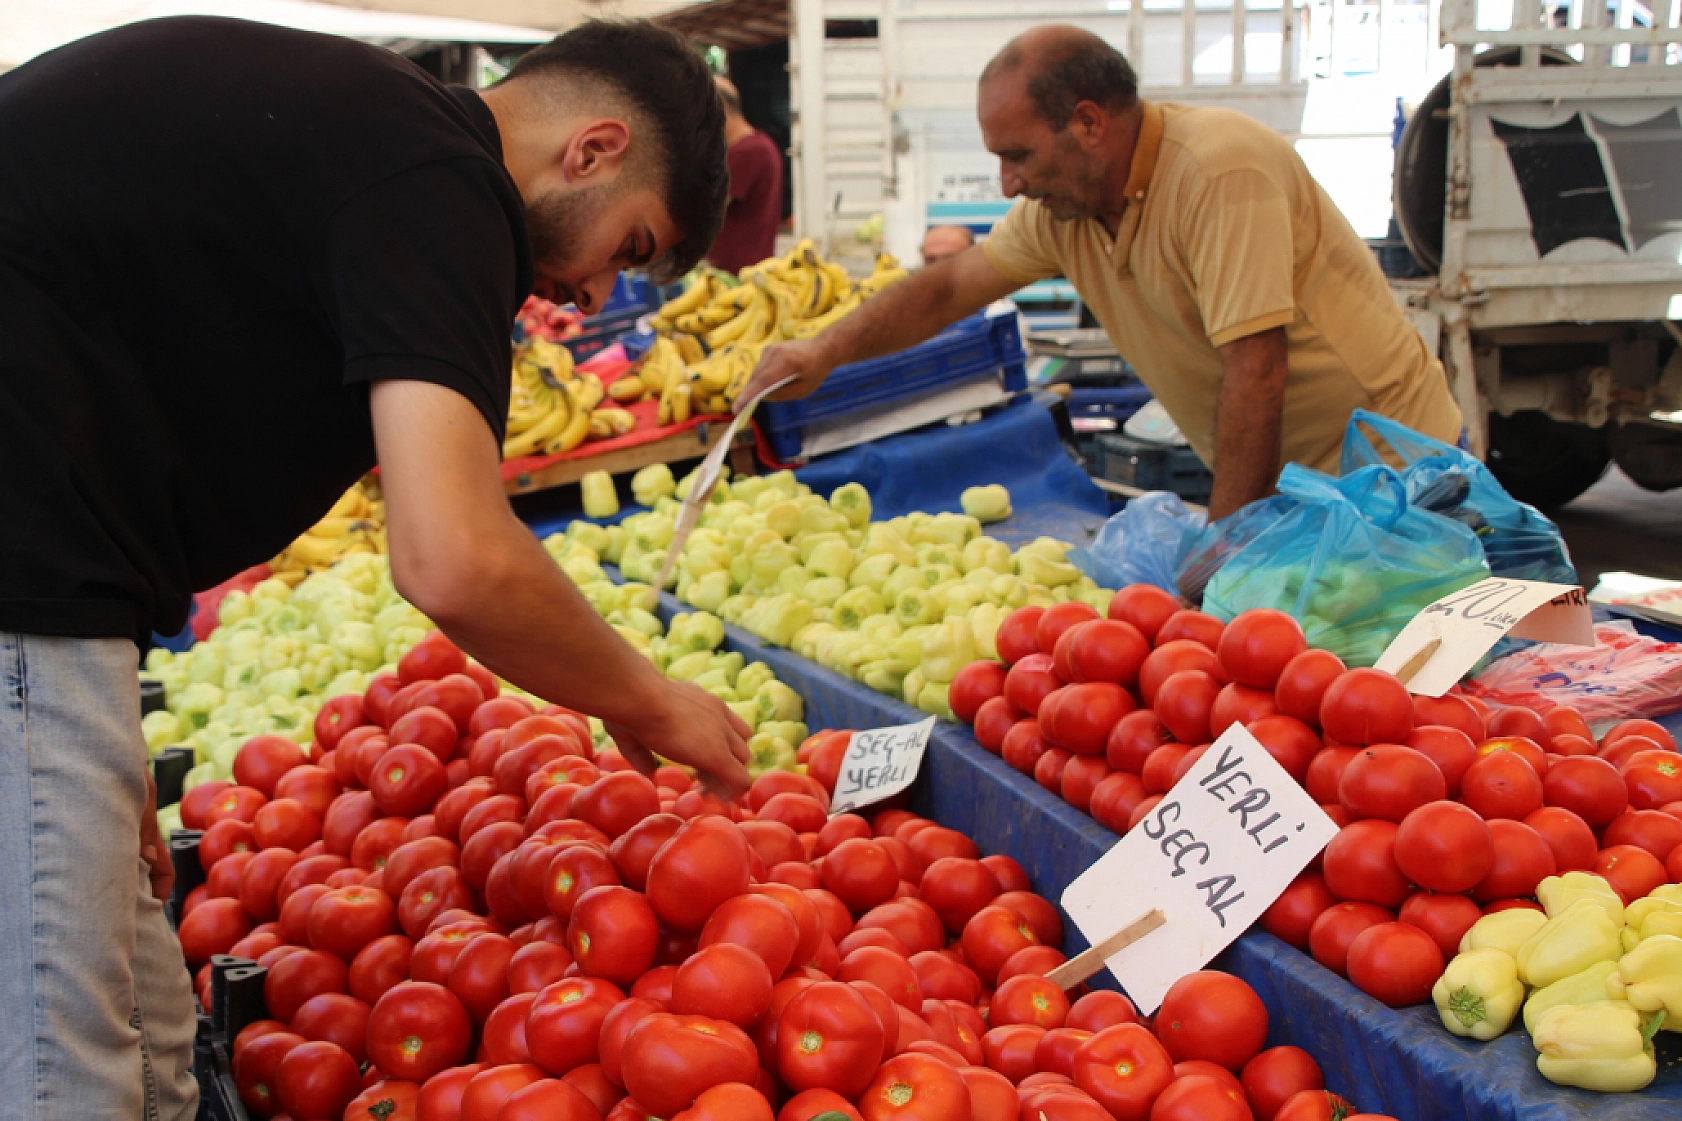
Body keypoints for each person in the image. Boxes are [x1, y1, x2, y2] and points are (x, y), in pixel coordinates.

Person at [0, 16, 744, 1118]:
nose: (591, 298)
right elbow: (450, 552)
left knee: (142, 1024)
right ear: (591, 149)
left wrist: (87, 781)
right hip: (30, 558)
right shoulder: (434, 180)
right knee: (64, 1054)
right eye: (627, 250)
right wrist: (648, 695)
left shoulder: (375, 137)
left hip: (57, 555)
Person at [743, 25, 1463, 520]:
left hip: (1397, 479)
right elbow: (948, 287)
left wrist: (1229, 548)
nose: (1007, 183)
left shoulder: (1218, 171)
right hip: (1299, 495)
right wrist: (822, 352)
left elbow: (1257, 370)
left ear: (1088, 123)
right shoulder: (1069, 211)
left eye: (1018, 155)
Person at [706, 75, 784, 274]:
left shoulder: (747, 153)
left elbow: (707, 211)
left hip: (737, 275)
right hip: (747, 271)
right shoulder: (762, 145)